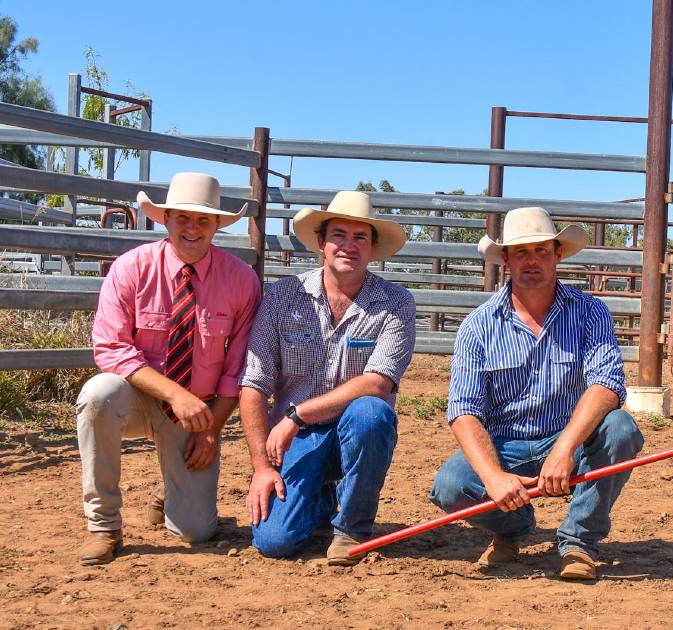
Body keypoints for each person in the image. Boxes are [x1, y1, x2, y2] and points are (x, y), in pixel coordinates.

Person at [429, 206, 644, 581]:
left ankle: (579, 541)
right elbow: (464, 411)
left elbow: (607, 384)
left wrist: (563, 450)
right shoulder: (477, 327)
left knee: (620, 429)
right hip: (505, 445)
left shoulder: (590, 313)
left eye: (541, 250)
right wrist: (494, 477)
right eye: (521, 252)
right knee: (451, 487)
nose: (532, 261)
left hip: (569, 438)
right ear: (506, 259)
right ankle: (512, 528)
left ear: (558, 254)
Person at [76, 172, 261, 565]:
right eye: (183, 218)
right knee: (97, 395)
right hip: (138, 398)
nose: (192, 229)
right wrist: (176, 395)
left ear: (216, 226)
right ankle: (104, 526)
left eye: (203, 220)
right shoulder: (131, 268)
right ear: (165, 219)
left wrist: (211, 427)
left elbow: (239, 368)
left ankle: (168, 492)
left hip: (198, 413)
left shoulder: (242, 281)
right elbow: (110, 348)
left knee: (196, 531)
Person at [240, 190, 415, 565]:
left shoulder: (396, 303)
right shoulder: (283, 296)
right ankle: (320, 499)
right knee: (275, 542)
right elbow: (255, 382)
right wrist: (261, 467)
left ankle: (352, 527)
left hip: (343, 427)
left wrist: (296, 414)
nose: (348, 246)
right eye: (339, 235)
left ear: (372, 247)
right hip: (296, 439)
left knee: (371, 412)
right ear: (321, 242)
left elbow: (378, 382)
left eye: (360, 237)